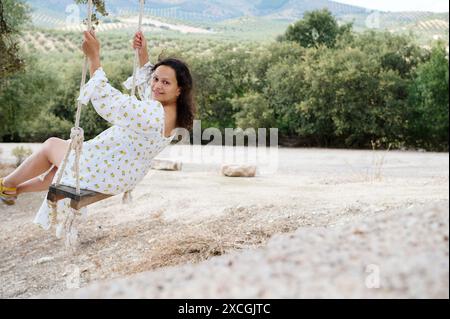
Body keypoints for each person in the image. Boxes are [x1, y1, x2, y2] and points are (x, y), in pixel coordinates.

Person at [1, 31, 195, 231]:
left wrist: (94, 57)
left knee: (51, 145)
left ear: (179, 89)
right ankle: (14, 190)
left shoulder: (153, 113)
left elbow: (108, 100)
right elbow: (149, 88)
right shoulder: (174, 112)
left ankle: (6, 182)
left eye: (166, 82)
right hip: (121, 173)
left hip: (105, 169)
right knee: (60, 169)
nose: (156, 85)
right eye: (156, 79)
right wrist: (143, 53)